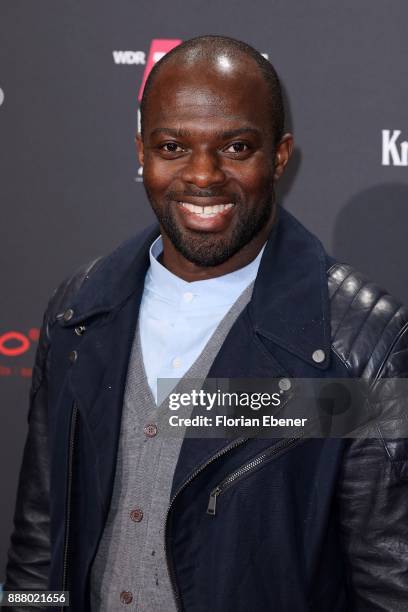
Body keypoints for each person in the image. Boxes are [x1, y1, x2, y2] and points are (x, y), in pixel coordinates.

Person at [5, 35, 408, 612]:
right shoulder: (79, 310)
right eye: (173, 146)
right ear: (141, 153)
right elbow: (39, 542)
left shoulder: (361, 344)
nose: (203, 176)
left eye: (236, 147)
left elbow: (390, 585)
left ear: (279, 155)